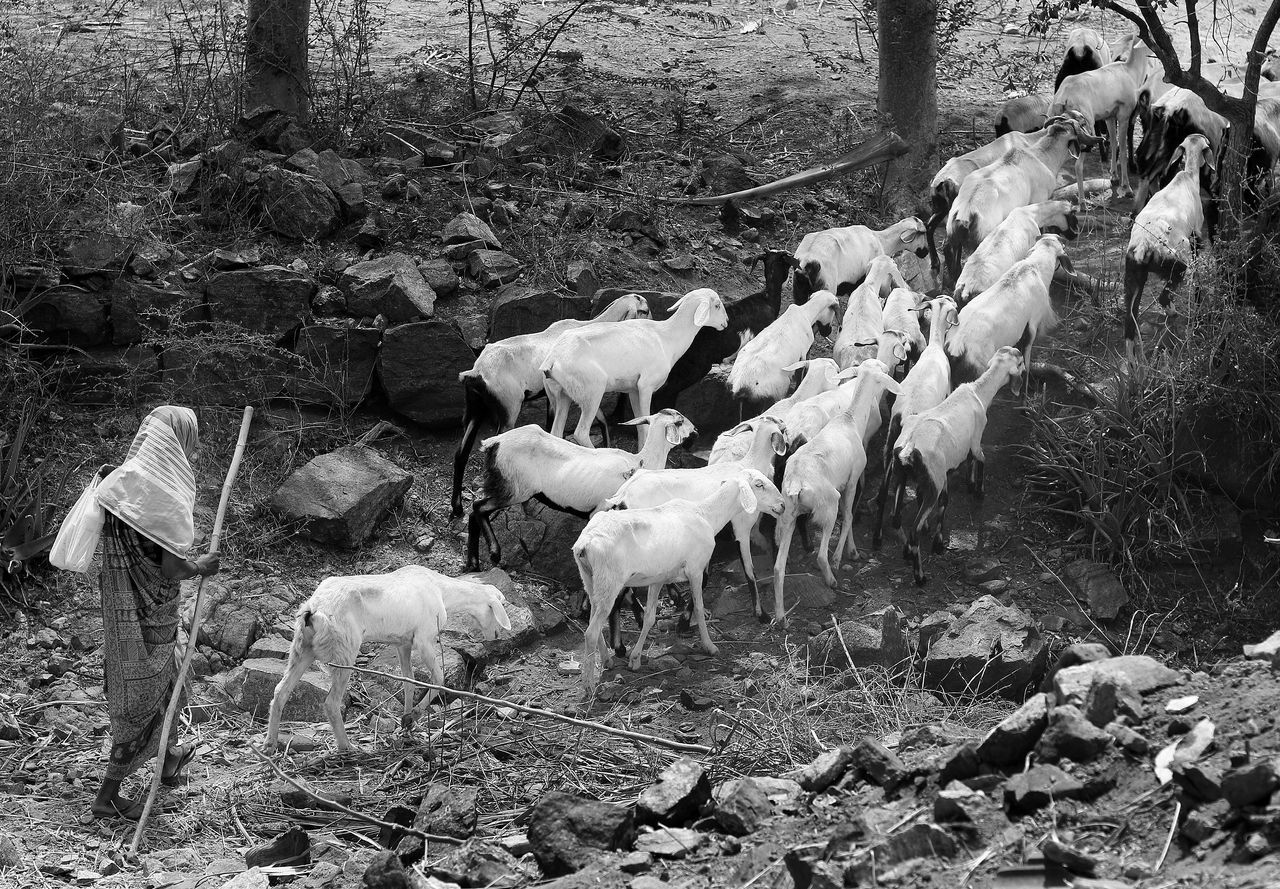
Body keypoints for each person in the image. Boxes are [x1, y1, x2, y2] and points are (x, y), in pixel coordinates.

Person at [90, 406, 220, 820]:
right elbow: (170, 566)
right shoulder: (166, 494)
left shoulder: (118, 482)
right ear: (178, 440)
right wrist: (201, 566)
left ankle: (169, 757)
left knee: (167, 679)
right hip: (152, 613)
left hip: (119, 609)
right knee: (146, 693)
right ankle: (107, 796)